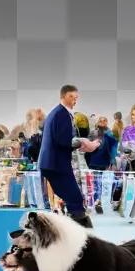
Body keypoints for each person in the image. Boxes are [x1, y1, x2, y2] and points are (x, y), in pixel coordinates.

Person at [37, 84, 99, 228]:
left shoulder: (57, 113)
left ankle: (76, 233)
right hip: (57, 164)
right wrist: (84, 143)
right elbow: (63, 140)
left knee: (72, 199)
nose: (74, 100)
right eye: (71, 96)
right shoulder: (62, 114)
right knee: (75, 199)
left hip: (52, 164)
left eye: (76, 97)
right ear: (63, 96)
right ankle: (83, 236)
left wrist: (81, 142)